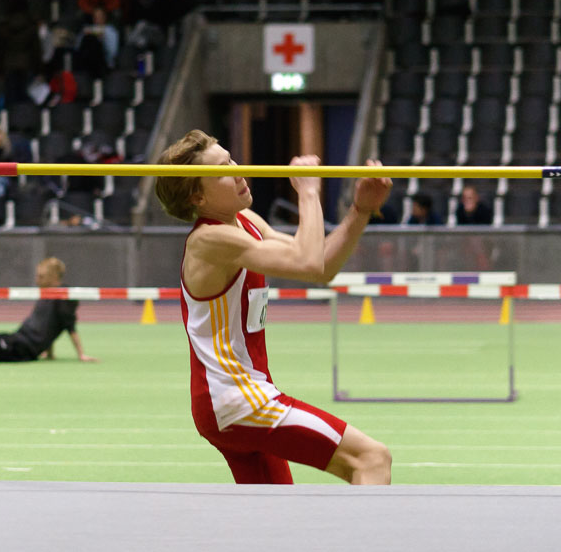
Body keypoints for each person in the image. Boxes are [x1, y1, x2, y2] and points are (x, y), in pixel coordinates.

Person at [154, 129, 393, 485]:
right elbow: (307, 262)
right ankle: (367, 544)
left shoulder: (246, 221)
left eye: (232, 159)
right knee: (371, 458)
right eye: (222, 171)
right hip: (236, 400)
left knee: (277, 511)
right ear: (198, 197)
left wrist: (361, 211)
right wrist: (309, 192)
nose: (237, 170)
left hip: (232, 402)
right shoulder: (209, 240)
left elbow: (321, 267)